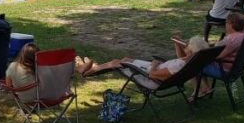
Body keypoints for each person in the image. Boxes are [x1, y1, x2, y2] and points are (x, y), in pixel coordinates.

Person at [78, 35, 209, 81]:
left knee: (118, 62)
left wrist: (155, 64)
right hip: (153, 69)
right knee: (125, 59)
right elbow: (182, 58)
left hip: (147, 75)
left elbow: (152, 76)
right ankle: (93, 68)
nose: (184, 45)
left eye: (187, 45)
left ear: (191, 51)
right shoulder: (188, 62)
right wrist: (177, 44)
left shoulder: (178, 66)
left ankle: (87, 71)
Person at [194, 13, 244, 99]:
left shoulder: (230, 39)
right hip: (237, 69)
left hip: (225, 71)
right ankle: (205, 88)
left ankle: (203, 89)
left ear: (231, 24)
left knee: (194, 65)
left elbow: (217, 56)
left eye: (226, 22)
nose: (225, 25)